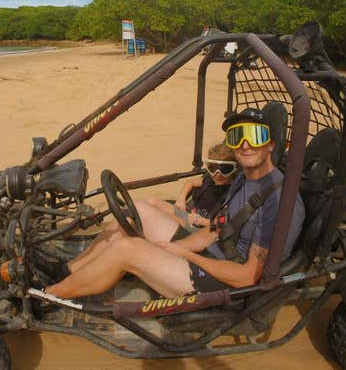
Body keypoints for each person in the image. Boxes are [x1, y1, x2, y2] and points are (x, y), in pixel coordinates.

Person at [44, 107, 305, 299]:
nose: (245, 145)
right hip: (213, 254)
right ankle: (68, 270)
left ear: (271, 144)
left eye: (256, 136)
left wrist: (187, 255)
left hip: (221, 283)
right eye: (237, 137)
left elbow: (248, 277)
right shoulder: (246, 178)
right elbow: (217, 228)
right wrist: (173, 247)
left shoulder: (280, 201)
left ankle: (49, 295)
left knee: (126, 248)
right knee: (139, 211)